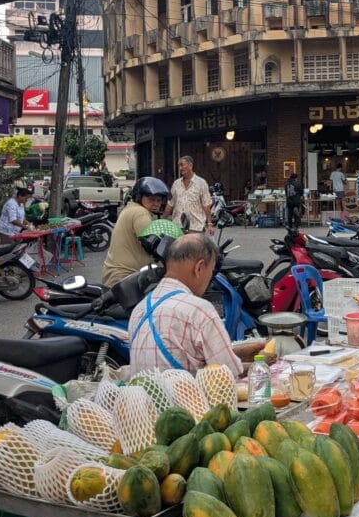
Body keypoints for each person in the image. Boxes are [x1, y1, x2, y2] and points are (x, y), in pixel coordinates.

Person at [128, 233, 250, 376]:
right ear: (199, 268)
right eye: (210, 272)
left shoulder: (139, 309)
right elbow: (229, 372)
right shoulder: (199, 310)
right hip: (183, 397)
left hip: (144, 397)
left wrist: (245, 351)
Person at [103, 177, 169, 287]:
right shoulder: (140, 213)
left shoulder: (131, 209)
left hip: (119, 275)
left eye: (158, 200)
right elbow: (154, 243)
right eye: (151, 199)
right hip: (125, 277)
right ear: (139, 197)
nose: (156, 204)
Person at [164, 156, 214, 235]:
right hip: (178, 227)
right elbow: (170, 204)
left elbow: (206, 205)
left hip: (196, 227)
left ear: (190, 165)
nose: (180, 168)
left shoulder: (201, 183)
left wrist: (210, 224)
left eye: (182, 165)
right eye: (179, 166)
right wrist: (163, 220)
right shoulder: (176, 184)